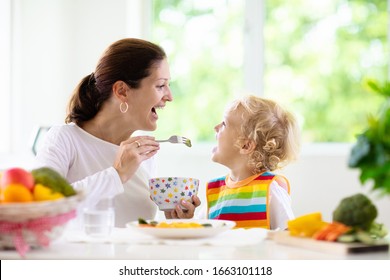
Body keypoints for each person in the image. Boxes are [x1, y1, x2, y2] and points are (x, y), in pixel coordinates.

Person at [34, 38, 200, 228]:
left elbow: (133, 227)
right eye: (160, 85)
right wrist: (117, 174)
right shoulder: (64, 139)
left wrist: (174, 220)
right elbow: (41, 207)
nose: (169, 96)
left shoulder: (144, 153)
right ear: (122, 91)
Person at [206, 95, 300, 230]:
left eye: (224, 124)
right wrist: (182, 218)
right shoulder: (215, 191)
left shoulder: (270, 190)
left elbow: (289, 234)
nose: (216, 127)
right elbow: (198, 232)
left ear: (246, 146)